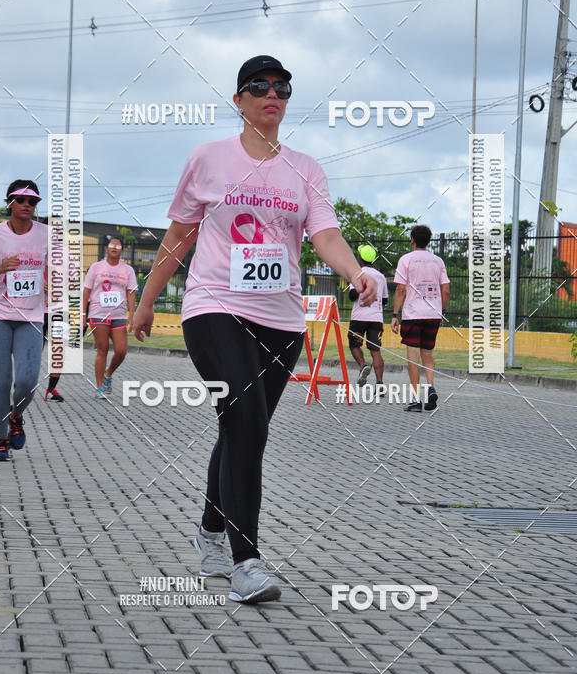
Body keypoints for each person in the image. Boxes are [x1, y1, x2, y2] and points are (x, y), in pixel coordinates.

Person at [133, 55, 378, 605]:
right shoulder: (208, 159)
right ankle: (247, 562)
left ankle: (210, 531)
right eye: (260, 86)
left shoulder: (306, 169)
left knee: (242, 428)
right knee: (245, 421)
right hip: (214, 307)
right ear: (239, 100)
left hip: (282, 319)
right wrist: (146, 302)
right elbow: (178, 237)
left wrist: (355, 273)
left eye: (282, 87)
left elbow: (326, 236)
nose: (273, 94)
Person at [0, 180, 47, 460]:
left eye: (33, 201)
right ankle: (1, 439)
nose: (27, 205)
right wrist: (0, 269)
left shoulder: (47, 235)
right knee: (3, 380)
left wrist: (53, 280)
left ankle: (16, 415)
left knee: (28, 380)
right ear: (10, 202)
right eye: (21, 199)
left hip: (31, 316)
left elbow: (61, 269)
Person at [391, 225, 450, 412]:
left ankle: (416, 399)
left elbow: (400, 289)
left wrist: (394, 314)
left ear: (412, 240)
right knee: (428, 354)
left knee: (413, 358)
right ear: (429, 240)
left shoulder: (406, 259)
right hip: (433, 315)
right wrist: (442, 311)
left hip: (413, 315)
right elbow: (446, 289)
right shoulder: (438, 261)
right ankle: (430, 387)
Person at [82, 237, 137, 399]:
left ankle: (108, 373)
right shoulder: (96, 267)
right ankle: (99, 387)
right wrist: (83, 315)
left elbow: (131, 292)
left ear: (122, 250)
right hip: (98, 313)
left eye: (118, 245)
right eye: (112, 244)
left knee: (121, 351)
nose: (114, 247)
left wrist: (132, 316)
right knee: (103, 349)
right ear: (106, 248)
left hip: (119, 314)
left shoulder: (128, 270)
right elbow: (86, 291)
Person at [347, 243, 388, 387]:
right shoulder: (381, 276)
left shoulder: (357, 274)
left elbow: (352, 296)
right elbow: (385, 300)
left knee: (354, 344)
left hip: (359, 318)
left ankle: (363, 365)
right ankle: (380, 383)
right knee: (375, 351)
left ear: (360, 258)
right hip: (376, 319)